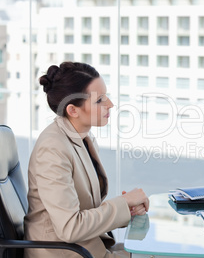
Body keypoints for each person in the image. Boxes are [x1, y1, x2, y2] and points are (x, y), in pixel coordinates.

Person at [24, 62, 149, 258]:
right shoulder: (52, 149)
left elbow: (84, 208)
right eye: (99, 100)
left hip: (86, 246)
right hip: (65, 252)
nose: (110, 104)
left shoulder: (82, 137)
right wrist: (123, 202)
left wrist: (127, 209)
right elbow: (70, 228)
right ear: (73, 110)